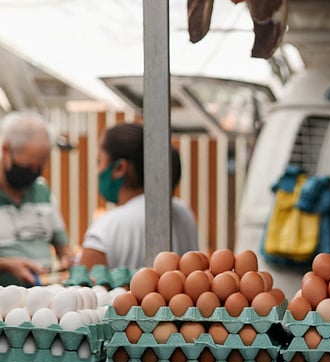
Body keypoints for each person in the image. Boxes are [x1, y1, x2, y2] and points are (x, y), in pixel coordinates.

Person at [78, 123, 199, 270]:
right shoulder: (183, 212)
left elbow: (84, 281)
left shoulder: (106, 228)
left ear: (119, 168)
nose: (97, 171)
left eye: (99, 161)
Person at [0, 111, 73, 286]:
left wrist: (67, 259)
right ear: (6, 150)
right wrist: (6, 266)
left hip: (43, 293)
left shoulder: (42, 190)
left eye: (39, 167)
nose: (33, 173)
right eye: (27, 166)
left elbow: (63, 246)